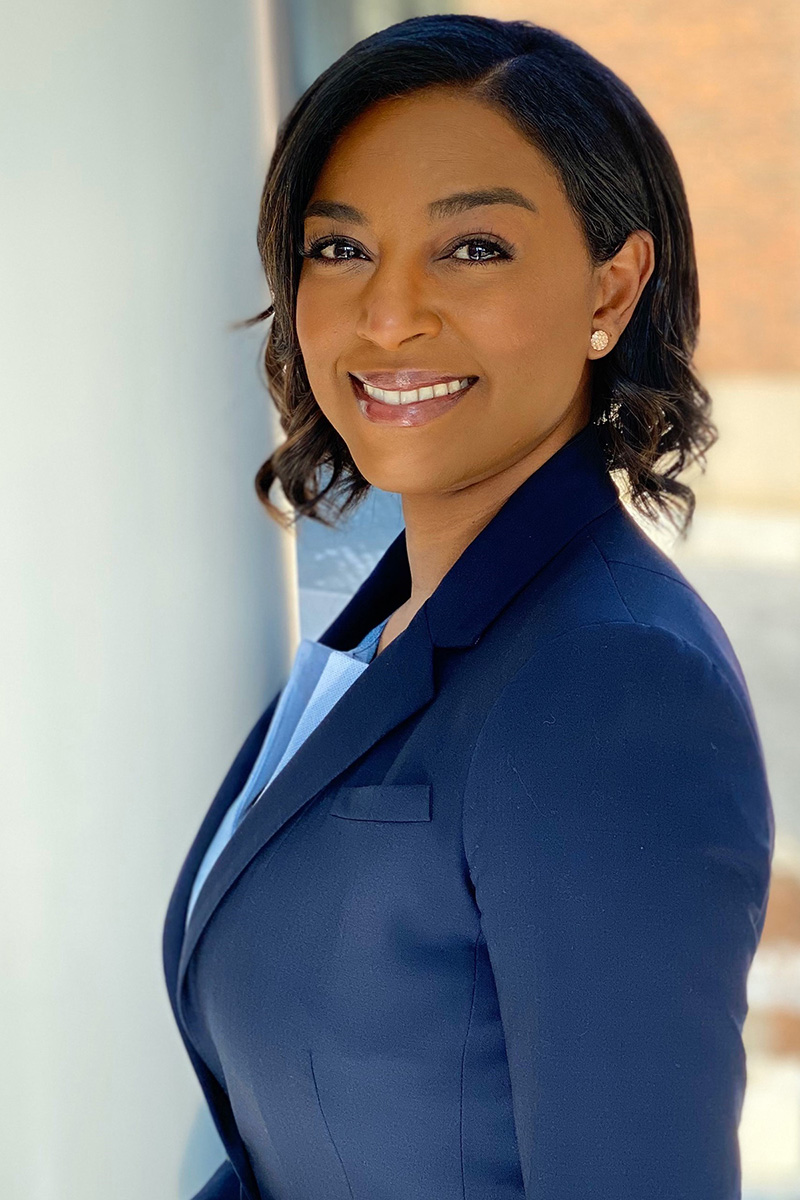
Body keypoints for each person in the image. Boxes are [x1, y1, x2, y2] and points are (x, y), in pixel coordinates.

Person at [162, 14, 775, 1200]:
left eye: (472, 249)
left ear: (613, 284)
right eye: (338, 251)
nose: (387, 315)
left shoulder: (612, 686)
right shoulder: (386, 625)